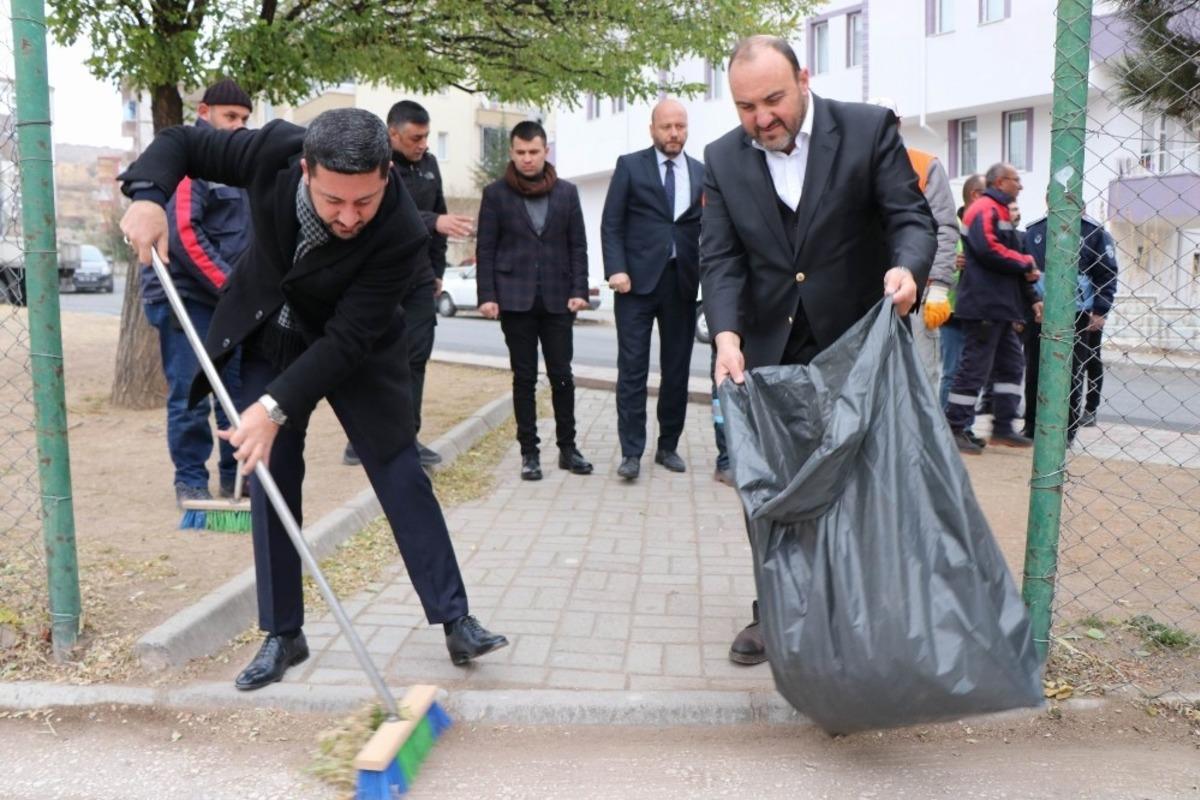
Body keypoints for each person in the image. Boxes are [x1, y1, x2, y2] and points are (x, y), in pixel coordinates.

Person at [119, 108, 508, 691]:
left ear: (385, 177)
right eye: (333, 201)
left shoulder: (401, 229)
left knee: (400, 470)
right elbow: (180, 142)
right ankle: (283, 633)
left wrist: (274, 408)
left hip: (356, 349)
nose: (349, 217)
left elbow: (346, 340)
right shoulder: (272, 150)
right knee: (271, 474)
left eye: (364, 202)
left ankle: (456, 618)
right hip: (267, 333)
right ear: (305, 170)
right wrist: (149, 196)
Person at [701, 36, 936, 666]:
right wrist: (725, 333)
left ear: (803, 79)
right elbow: (721, 257)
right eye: (746, 106)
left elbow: (911, 218)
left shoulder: (865, 130)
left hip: (856, 345)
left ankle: (859, 613)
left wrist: (909, 271)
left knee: (860, 483)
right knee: (772, 483)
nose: (761, 119)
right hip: (767, 349)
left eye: (773, 99)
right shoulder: (722, 158)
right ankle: (776, 612)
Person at [342, 100, 475, 468]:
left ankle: (406, 439)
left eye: (427, 136)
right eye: (416, 138)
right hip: (376, 278)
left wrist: (437, 272)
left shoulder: (430, 166)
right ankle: (360, 439)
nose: (423, 144)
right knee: (368, 359)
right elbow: (382, 213)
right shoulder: (373, 166)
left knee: (414, 358)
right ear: (392, 134)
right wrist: (435, 222)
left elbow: (441, 218)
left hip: (418, 281)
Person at [140, 78, 252, 508]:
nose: (238, 126)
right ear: (204, 113)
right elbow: (185, 235)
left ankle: (234, 480)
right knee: (191, 392)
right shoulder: (194, 159)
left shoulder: (238, 167)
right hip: (186, 296)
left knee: (232, 393)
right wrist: (231, 286)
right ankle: (189, 481)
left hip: (226, 301)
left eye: (244, 118)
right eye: (230, 117)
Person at [475, 120, 593, 481]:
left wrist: (579, 289)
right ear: (512, 153)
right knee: (524, 378)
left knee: (562, 377)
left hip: (559, 300)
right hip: (514, 301)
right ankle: (529, 452)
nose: (528, 159)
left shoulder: (567, 193)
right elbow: (486, 248)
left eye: (534, 152)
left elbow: (578, 245)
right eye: (521, 152)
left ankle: (568, 449)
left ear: (545, 152)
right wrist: (487, 295)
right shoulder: (496, 195)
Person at [601, 99, 704, 480]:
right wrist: (617, 269)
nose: (674, 133)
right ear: (652, 129)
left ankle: (668, 447)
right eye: (667, 127)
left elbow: (706, 229)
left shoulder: (701, 172)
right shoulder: (630, 166)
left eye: (680, 126)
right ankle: (631, 452)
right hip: (635, 286)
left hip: (681, 282)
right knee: (632, 371)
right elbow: (611, 223)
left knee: (676, 371)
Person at [945, 163, 1041, 454]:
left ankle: (1002, 427)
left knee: (1011, 366)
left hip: (999, 306)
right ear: (1000, 182)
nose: (1020, 186)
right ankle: (954, 428)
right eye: (1016, 180)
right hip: (985, 304)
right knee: (974, 368)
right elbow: (988, 249)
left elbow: (1007, 256)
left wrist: (1029, 288)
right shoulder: (985, 209)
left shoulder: (999, 210)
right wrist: (1024, 263)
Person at [869, 98, 959, 397]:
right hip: (865, 293)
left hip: (916, 289)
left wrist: (939, 286)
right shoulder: (851, 166)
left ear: (897, 123)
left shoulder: (923, 165)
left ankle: (918, 443)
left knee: (918, 378)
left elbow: (944, 226)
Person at [1022, 211, 1118, 440]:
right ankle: (1031, 425)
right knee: (1034, 368)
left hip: (1078, 313)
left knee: (1073, 369)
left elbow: (1107, 273)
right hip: (1039, 311)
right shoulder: (1035, 231)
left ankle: (1067, 430)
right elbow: (1023, 273)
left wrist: (1100, 310)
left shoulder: (1093, 232)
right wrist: (1029, 303)